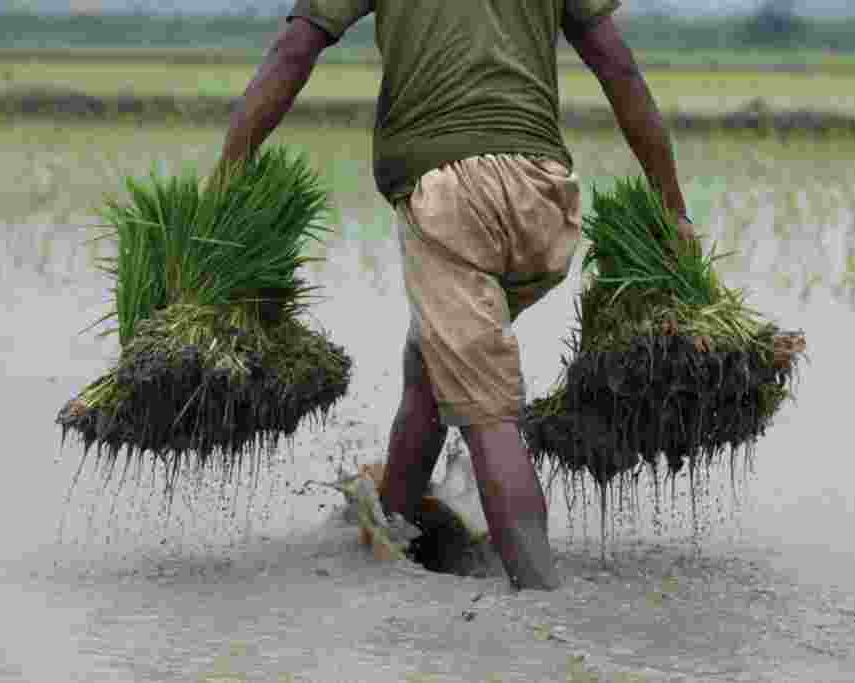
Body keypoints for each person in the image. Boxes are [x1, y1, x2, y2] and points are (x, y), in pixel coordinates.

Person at [213, 1, 695, 591]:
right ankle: (391, 528)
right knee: (432, 363)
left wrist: (224, 185)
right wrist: (673, 207)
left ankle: (543, 601)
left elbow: (294, 50)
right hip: (544, 196)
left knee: (487, 413)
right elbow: (619, 68)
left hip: (452, 196)